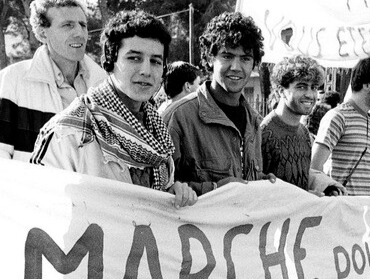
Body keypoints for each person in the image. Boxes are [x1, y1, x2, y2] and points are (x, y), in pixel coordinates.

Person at [30, 10, 196, 208]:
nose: (146, 70)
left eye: (155, 61)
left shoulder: (157, 135)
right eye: (134, 58)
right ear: (109, 62)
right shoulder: (69, 132)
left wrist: (171, 195)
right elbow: (42, 211)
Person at [0, 0, 106, 161]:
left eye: (83, 25)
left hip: (88, 186)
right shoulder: (11, 80)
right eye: (68, 25)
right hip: (32, 186)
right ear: (42, 33)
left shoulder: (104, 84)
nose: (80, 33)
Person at [163, 12, 275, 196]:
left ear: (254, 63)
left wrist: (262, 182)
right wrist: (215, 189)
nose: (236, 67)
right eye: (227, 56)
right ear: (209, 58)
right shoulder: (178, 117)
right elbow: (159, 189)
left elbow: (243, 178)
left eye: (245, 58)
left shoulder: (254, 121)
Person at [310, 57, 370, 196]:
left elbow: (362, 176)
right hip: (342, 212)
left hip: (364, 213)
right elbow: (315, 167)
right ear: (367, 84)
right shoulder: (338, 117)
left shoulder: (369, 121)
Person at [260, 55, 344, 195]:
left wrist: (326, 187)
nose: (310, 95)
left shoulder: (304, 133)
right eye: (301, 87)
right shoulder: (265, 133)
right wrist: (302, 198)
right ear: (281, 91)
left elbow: (302, 178)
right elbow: (257, 191)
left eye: (313, 87)